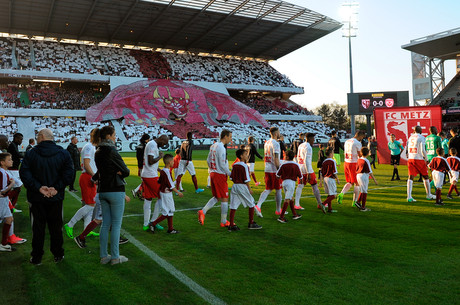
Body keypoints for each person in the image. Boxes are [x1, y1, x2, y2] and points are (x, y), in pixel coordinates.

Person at [20, 128, 74, 265]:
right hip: (55, 198)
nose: (37, 138)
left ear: (42, 137)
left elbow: (25, 174)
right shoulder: (63, 153)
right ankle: (58, 254)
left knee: (38, 228)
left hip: (36, 197)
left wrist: (38, 187)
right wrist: (56, 188)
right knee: (56, 227)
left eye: (38, 136)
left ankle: (37, 257)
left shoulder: (31, 153)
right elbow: (69, 174)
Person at [94, 125, 130, 265]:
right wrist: (119, 172)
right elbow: (125, 171)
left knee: (105, 224)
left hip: (103, 190)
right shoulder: (111, 150)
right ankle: (115, 257)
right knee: (116, 225)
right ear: (108, 136)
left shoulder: (98, 150)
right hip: (115, 190)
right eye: (114, 135)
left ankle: (104, 256)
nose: (115, 137)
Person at [64, 129, 99, 239]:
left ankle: (86, 230)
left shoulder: (91, 147)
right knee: (90, 205)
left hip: (90, 177)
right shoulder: (89, 147)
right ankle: (70, 224)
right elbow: (87, 164)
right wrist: (94, 177)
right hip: (88, 178)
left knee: (91, 206)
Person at [198, 130, 233, 227]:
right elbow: (222, 164)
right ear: (225, 136)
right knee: (225, 198)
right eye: (230, 137)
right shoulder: (221, 147)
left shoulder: (213, 146)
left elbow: (208, 160)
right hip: (219, 175)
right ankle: (224, 221)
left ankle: (203, 211)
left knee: (217, 197)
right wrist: (230, 173)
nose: (231, 139)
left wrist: (211, 169)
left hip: (213, 173)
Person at [228, 148, 262, 231]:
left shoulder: (235, 165)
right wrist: (249, 189)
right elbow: (246, 179)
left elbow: (231, 177)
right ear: (241, 156)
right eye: (245, 154)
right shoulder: (245, 166)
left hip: (235, 186)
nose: (247, 156)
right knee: (251, 203)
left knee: (233, 205)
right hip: (242, 186)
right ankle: (251, 223)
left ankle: (231, 225)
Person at [148, 154, 183, 234]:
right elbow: (171, 185)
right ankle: (153, 223)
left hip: (163, 193)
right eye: (173, 161)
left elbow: (159, 181)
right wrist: (178, 192)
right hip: (166, 194)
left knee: (170, 211)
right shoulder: (167, 172)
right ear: (170, 162)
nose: (174, 163)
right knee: (167, 212)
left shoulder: (163, 170)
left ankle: (170, 229)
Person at [141, 135, 169, 231]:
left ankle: (145, 224)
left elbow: (151, 163)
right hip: (150, 176)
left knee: (148, 199)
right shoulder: (153, 145)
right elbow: (151, 161)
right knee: (161, 196)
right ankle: (154, 222)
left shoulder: (152, 144)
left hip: (147, 174)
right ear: (161, 139)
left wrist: (160, 170)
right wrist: (160, 156)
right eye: (163, 143)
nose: (163, 145)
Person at [254, 127, 282, 218]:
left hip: (267, 168)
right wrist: (279, 170)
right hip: (274, 169)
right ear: (275, 133)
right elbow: (276, 158)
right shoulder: (276, 143)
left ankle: (258, 205)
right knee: (278, 189)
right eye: (278, 132)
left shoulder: (267, 143)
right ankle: (278, 210)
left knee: (268, 189)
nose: (279, 133)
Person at [406, 126, 435, 202]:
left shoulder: (410, 137)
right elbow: (423, 150)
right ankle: (428, 194)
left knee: (410, 177)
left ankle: (409, 196)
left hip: (411, 158)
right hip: (418, 158)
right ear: (420, 130)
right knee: (425, 176)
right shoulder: (421, 137)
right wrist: (426, 159)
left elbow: (407, 147)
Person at [295, 133, 322, 210]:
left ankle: (296, 204)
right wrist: (308, 173)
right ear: (309, 138)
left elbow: (297, 157)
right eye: (313, 139)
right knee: (314, 185)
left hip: (301, 169)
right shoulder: (308, 147)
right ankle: (319, 203)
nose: (314, 140)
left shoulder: (301, 145)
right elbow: (307, 161)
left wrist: (299, 169)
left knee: (300, 186)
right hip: (308, 170)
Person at [337, 131, 366, 206]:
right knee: (357, 183)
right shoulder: (357, 143)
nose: (362, 139)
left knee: (350, 181)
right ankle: (354, 202)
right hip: (354, 163)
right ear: (360, 135)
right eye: (362, 137)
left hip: (346, 162)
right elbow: (360, 154)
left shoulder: (347, 141)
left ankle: (342, 193)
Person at [275, 150, 303, 223]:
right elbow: (300, 176)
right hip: (291, 183)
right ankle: (281, 217)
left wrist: (283, 177)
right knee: (287, 199)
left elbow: (277, 175)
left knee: (291, 198)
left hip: (284, 182)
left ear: (287, 157)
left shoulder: (283, 165)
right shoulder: (295, 165)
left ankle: (294, 214)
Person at [0, 153, 17, 252]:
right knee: (9, 219)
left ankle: (4, 243)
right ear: (2, 162)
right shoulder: (3, 173)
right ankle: (3, 243)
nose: (12, 161)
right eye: (9, 160)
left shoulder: (3, 172)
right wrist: (12, 184)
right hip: (2, 200)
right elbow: (3, 191)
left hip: (4, 200)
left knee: (9, 219)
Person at [355, 147, 378, 212]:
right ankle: (363, 207)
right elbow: (370, 172)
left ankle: (358, 202)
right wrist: (375, 180)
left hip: (358, 175)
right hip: (363, 176)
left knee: (362, 190)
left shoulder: (359, 159)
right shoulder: (366, 161)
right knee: (365, 191)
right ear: (367, 153)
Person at [7, 132, 23, 211]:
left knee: (17, 188)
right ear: (16, 138)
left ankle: (11, 205)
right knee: (18, 187)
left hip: (14, 169)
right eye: (20, 139)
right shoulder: (12, 145)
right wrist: (28, 155)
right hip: (12, 170)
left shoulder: (14, 145)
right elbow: (17, 154)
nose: (21, 141)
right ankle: (6, 200)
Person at [321, 147, 339, 213]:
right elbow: (334, 171)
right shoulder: (332, 161)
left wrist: (321, 181)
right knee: (334, 195)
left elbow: (321, 172)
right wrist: (337, 179)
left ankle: (330, 208)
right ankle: (323, 204)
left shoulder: (324, 161)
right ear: (331, 153)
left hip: (325, 178)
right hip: (330, 179)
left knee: (329, 194)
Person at [132, 134, 150, 199]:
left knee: (145, 181)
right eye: (148, 139)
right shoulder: (145, 146)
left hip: (140, 165)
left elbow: (137, 157)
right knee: (145, 181)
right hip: (144, 165)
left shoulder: (139, 146)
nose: (149, 140)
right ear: (146, 139)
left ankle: (139, 192)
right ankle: (138, 191)